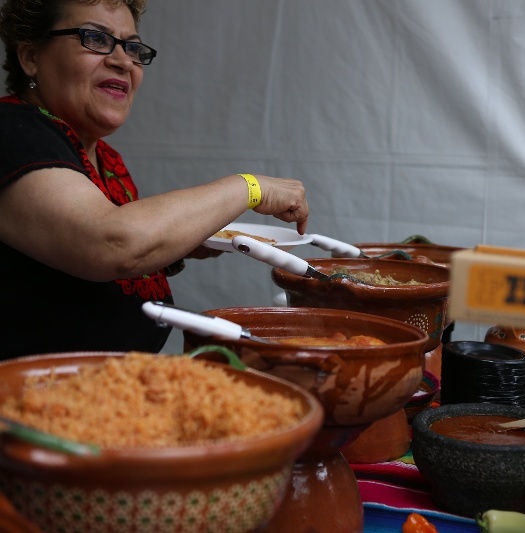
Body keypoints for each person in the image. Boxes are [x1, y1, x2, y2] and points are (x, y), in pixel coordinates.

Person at [0, 0, 310, 359]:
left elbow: (75, 266)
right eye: (95, 38)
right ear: (30, 57)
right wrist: (250, 187)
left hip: (108, 394)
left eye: (132, 47)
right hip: (25, 405)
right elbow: (111, 243)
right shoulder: (12, 131)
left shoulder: (105, 159)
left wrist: (183, 241)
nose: (123, 61)